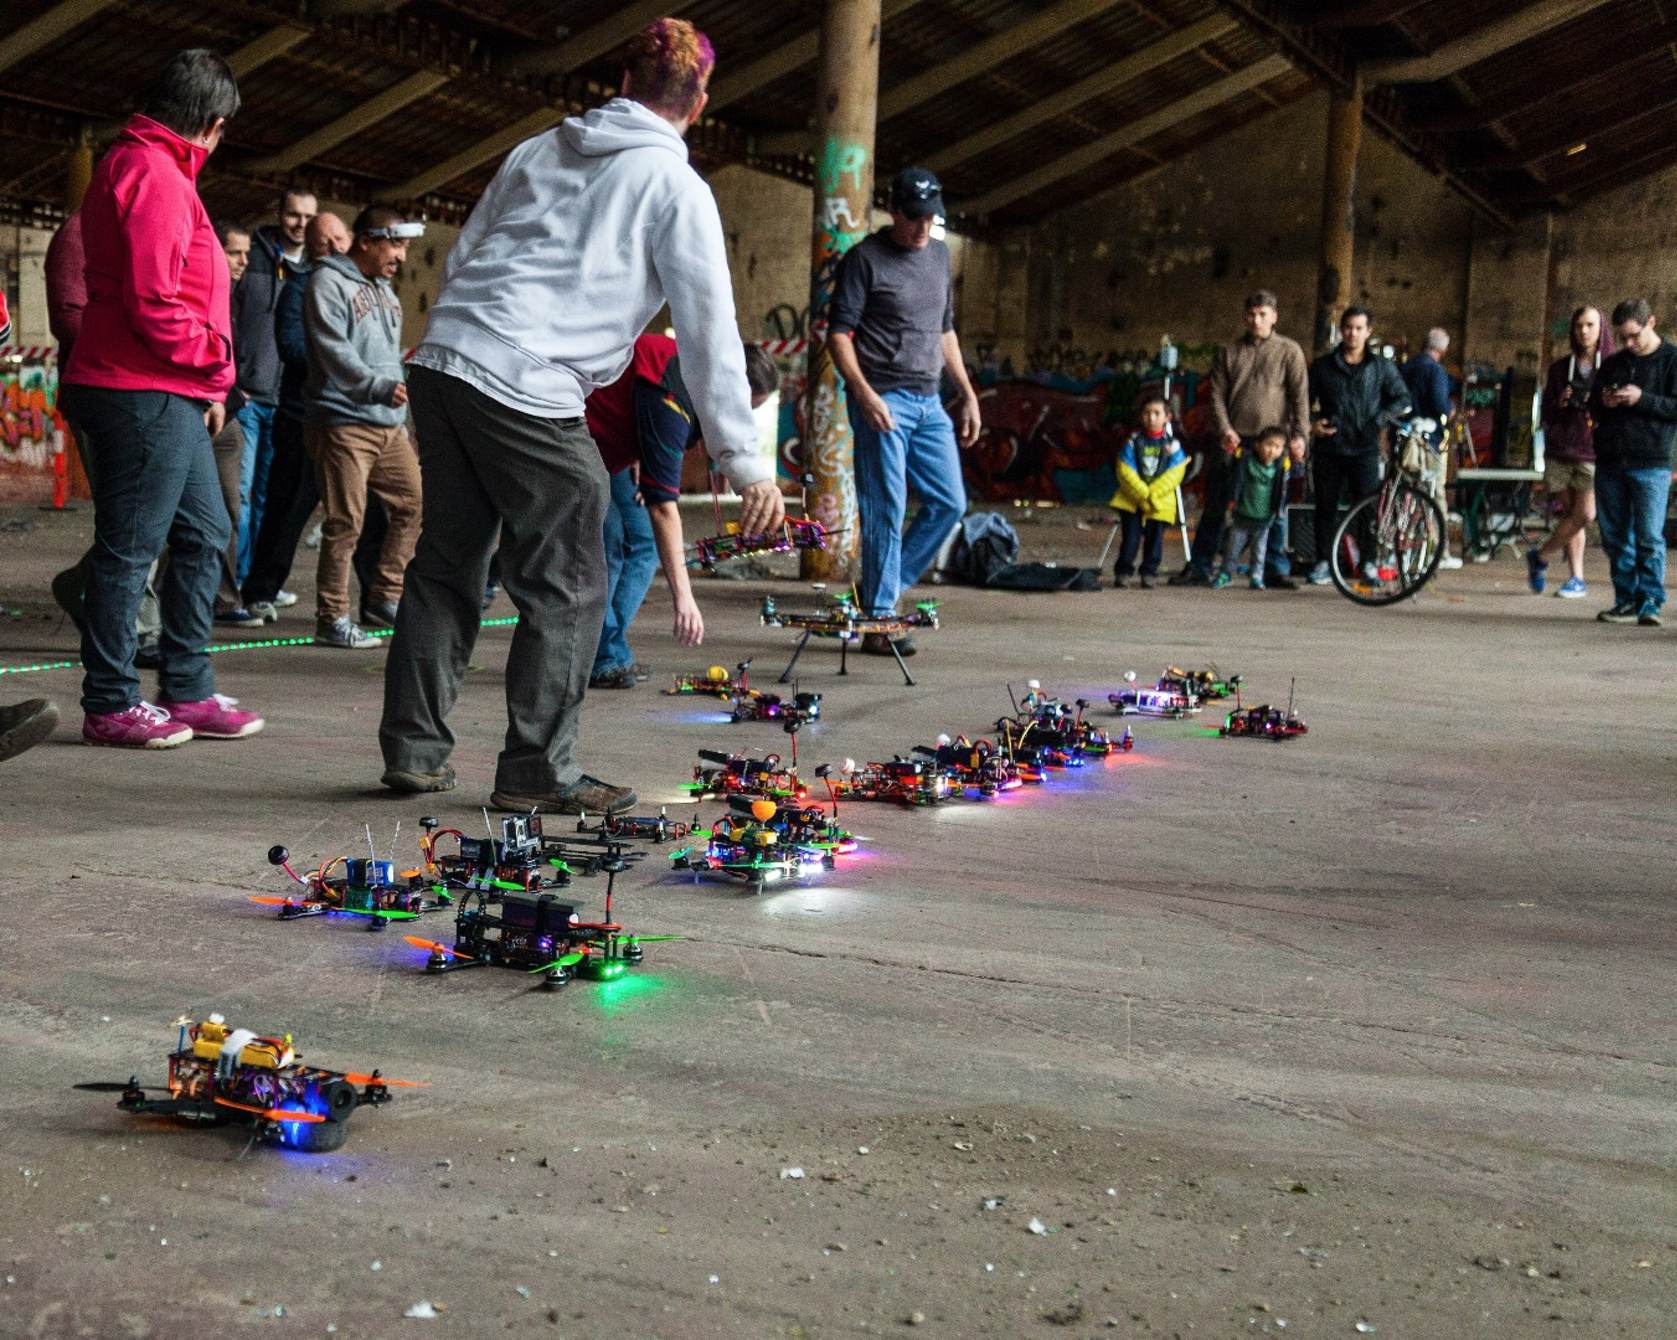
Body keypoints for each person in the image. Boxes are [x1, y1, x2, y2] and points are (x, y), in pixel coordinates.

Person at [380, 17, 782, 814]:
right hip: (528, 384)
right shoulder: (676, 188)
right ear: (699, 103)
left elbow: (463, 261)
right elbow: (705, 332)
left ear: (621, 83)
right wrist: (744, 461)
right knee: (568, 581)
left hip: (444, 362)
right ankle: (536, 772)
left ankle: (415, 752)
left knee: (447, 562)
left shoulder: (538, 149)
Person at [61, 48, 263, 748]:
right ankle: (112, 702)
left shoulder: (152, 168)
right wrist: (214, 365)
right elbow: (155, 300)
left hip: (169, 386)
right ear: (212, 123)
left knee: (205, 534)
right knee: (132, 550)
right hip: (139, 385)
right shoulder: (152, 174)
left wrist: (206, 382)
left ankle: (187, 687)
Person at [829, 165, 981, 655]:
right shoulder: (864, 260)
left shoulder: (939, 256)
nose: (923, 228)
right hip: (883, 400)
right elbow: (838, 335)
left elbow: (945, 332)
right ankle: (878, 620)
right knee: (886, 508)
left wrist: (968, 392)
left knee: (950, 503)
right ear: (892, 210)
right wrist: (863, 393)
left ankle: (879, 596)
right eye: (914, 218)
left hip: (929, 400)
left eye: (931, 219)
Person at [586, 334, 782, 689]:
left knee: (643, 545)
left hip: (612, 451)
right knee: (610, 547)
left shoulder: (695, 372)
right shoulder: (670, 397)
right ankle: (601, 658)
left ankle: (602, 649)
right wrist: (685, 598)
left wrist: (639, 456)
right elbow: (664, 510)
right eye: (741, 411)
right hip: (577, 442)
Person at [45, 205, 164, 667]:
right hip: (104, 393)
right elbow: (67, 317)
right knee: (135, 516)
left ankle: (79, 584)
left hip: (157, 393)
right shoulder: (79, 231)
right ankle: (138, 629)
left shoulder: (154, 224)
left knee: (157, 516)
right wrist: (142, 345)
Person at [303, 205, 423, 649]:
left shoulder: (386, 291)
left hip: (387, 426)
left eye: (406, 247)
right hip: (343, 421)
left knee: (416, 502)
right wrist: (375, 387)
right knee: (344, 523)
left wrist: (400, 419)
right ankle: (331, 617)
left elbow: (389, 356)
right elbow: (332, 350)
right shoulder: (327, 282)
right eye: (396, 244)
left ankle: (384, 598)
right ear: (367, 241)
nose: (402, 257)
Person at [243, 210, 352, 621]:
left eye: (340, 239)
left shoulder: (366, 289)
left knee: (381, 508)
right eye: (325, 242)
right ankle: (259, 590)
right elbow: (290, 347)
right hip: (303, 416)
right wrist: (346, 364)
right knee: (288, 507)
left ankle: (381, 596)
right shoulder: (300, 288)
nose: (335, 248)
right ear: (312, 246)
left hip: (357, 418)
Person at [1175, 290, 1308, 588]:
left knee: (1275, 507)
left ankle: (1273, 569)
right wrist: (1225, 430)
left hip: (1274, 444)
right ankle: (1200, 566)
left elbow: (1300, 398)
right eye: (1251, 314)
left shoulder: (1290, 351)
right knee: (1217, 504)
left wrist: (1300, 437)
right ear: (1244, 316)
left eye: (1263, 314)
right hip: (1234, 442)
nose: (1256, 320)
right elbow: (1216, 396)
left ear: (1274, 316)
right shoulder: (1229, 352)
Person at [230, 190, 312, 588]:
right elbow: (227, 317)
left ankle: (256, 582)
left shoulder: (317, 270)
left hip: (287, 404)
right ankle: (238, 580)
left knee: (269, 500)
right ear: (280, 215)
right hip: (247, 396)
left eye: (308, 217)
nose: (301, 223)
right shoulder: (252, 259)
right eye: (294, 215)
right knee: (241, 499)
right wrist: (232, 379)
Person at [1306, 306, 1411, 585]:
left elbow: (1402, 399)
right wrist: (1312, 423)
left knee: (1367, 509)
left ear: (1368, 332)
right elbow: (1302, 400)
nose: (1352, 333)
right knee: (1325, 507)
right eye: (1348, 327)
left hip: (1365, 449)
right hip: (1330, 447)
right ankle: (1324, 563)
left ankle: (1368, 564)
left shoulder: (1381, 368)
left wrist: (1379, 420)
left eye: (1358, 328)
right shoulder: (1323, 366)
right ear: (1342, 330)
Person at [1587, 298, 1677, 626]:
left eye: (1634, 335)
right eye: (1623, 337)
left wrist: (1642, 399)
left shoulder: (1672, 361)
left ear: (1651, 322)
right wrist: (1605, 402)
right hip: (1611, 460)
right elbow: (1594, 409)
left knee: (1649, 536)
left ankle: (1651, 600)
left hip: (1651, 461)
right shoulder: (1613, 364)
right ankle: (1625, 599)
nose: (1628, 343)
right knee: (1614, 535)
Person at [1529, 306, 1610, 599]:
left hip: (1592, 451)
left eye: (1590, 325)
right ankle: (1576, 578)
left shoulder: (1610, 366)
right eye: (1578, 326)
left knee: (1585, 515)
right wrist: (1561, 401)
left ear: (1601, 328)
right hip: (1560, 449)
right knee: (1572, 515)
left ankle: (1540, 556)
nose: (1584, 331)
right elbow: (1545, 414)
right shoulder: (1561, 368)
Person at [1107, 391, 1186, 589]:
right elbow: (1125, 471)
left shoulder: (1173, 446)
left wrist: (1153, 495)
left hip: (1159, 504)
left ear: (1167, 417)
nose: (1151, 418)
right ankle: (1123, 572)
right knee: (1130, 540)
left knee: (1155, 541)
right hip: (1132, 502)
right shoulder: (1132, 443)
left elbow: (1175, 473)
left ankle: (1149, 573)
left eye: (1157, 413)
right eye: (1147, 413)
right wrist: (1143, 494)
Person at [1210, 427, 1288, 590]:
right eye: (1268, 444)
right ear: (1258, 445)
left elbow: (1285, 488)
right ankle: (1225, 574)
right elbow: (1233, 474)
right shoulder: (1245, 461)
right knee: (1232, 549)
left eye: (1277, 446)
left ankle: (1256, 576)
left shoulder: (1280, 468)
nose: (1272, 450)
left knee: (1259, 552)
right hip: (1242, 516)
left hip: (1264, 519)